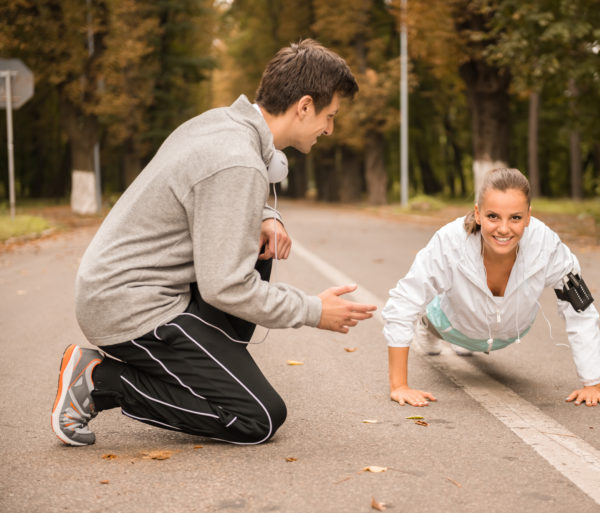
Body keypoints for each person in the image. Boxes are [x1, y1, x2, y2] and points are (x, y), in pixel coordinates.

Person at [51, 39, 377, 447]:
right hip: (128, 305)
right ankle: (99, 380)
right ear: (305, 105)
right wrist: (313, 310)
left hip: (126, 287)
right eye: (329, 116)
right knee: (257, 416)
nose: (330, 129)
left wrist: (265, 215)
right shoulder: (238, 161)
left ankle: (211, 363)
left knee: (260, 249)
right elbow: (224, 286)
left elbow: (202, 188)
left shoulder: (220, 124)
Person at [382, 168, 600, 408]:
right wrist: (399, 386)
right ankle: (427, 329)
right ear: (478, 214)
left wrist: (592, 382)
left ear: (529, 216)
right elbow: (404, 302)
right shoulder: (449, 241)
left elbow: (579, 308)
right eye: (493, 217)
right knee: (429, 304)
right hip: (452, 326)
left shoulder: (546, 245)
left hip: (510, 331)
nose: (503, 229)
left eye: (515, 218)